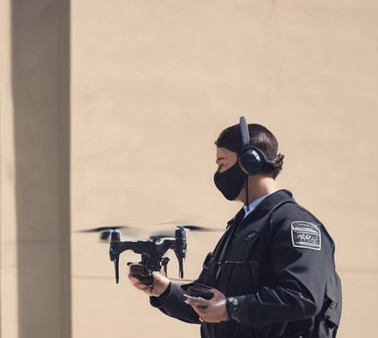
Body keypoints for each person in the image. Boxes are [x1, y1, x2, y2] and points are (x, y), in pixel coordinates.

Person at [128, 117, 342, 338]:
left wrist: (232, 308)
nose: (218, 173)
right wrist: (163, 290)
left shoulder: (292, 224)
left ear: (249, 162)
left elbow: (302, 297)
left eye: (222, 163)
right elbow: (209, 304)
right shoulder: (240, 227)